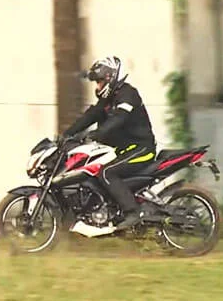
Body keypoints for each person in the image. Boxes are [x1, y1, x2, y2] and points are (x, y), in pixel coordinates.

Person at [58, 55, 160, 229]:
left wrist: (96, 134)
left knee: (106, 173)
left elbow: (118, 119)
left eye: (99, 82)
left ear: (109, 78)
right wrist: (67, 134)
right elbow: (90, 116)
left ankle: (133, 213)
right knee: (94, 168)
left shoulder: (128, 94)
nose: (97, 87)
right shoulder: (108, 99)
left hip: (141, 149)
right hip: (124, 149)